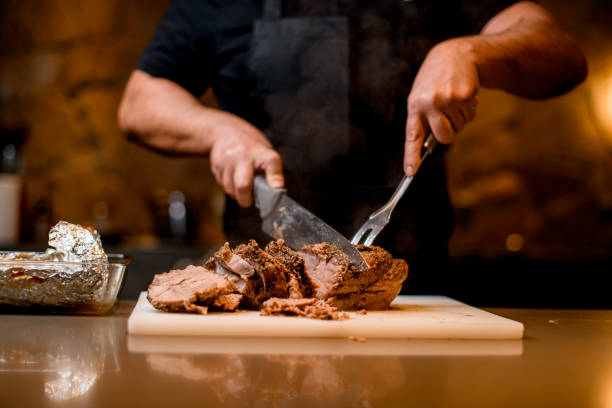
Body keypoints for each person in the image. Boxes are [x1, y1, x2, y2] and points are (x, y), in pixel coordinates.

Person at [118, 0, 586, 293]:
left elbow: (560, 52)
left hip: (415, 292)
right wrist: (218, 130)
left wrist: (468, 51)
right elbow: (139, 102)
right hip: (258, 291)